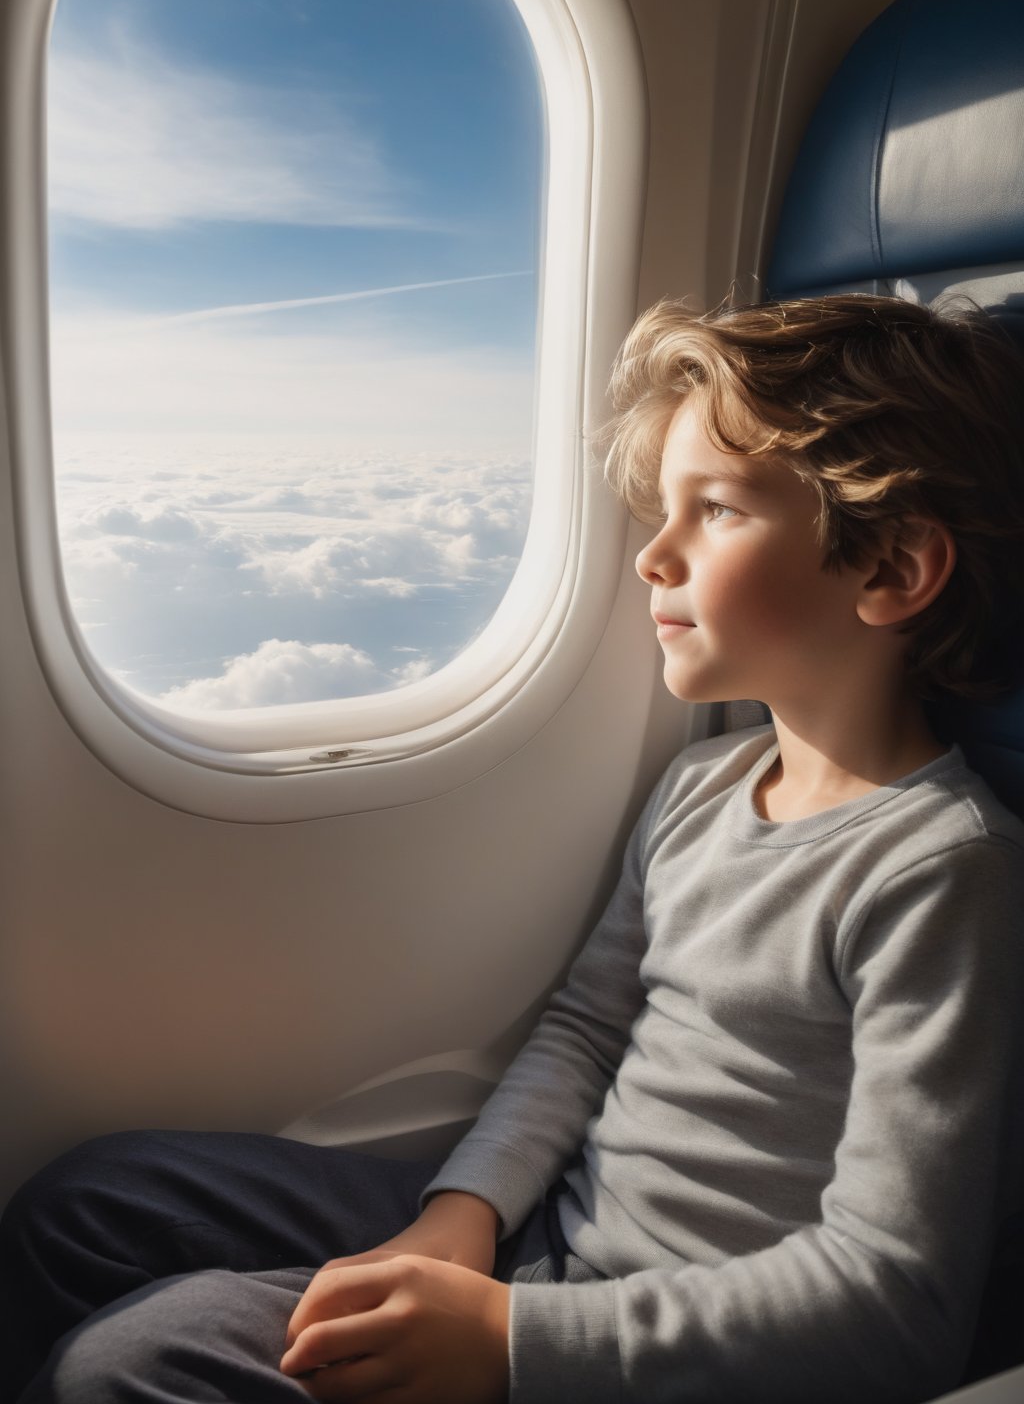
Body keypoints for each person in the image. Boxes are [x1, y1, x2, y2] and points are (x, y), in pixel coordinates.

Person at [3, 294, 1024, 1404]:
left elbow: (894, 1304)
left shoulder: (940, 875)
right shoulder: (702, 788)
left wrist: (509, 1341)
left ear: (891, 571)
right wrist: (461, 1219)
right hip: (546, 1231)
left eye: (716, 511)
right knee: (92, 1206)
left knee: (130, 1366)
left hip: (673, 1338)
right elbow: (587, 1034)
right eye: (661, 510)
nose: (653, 557)